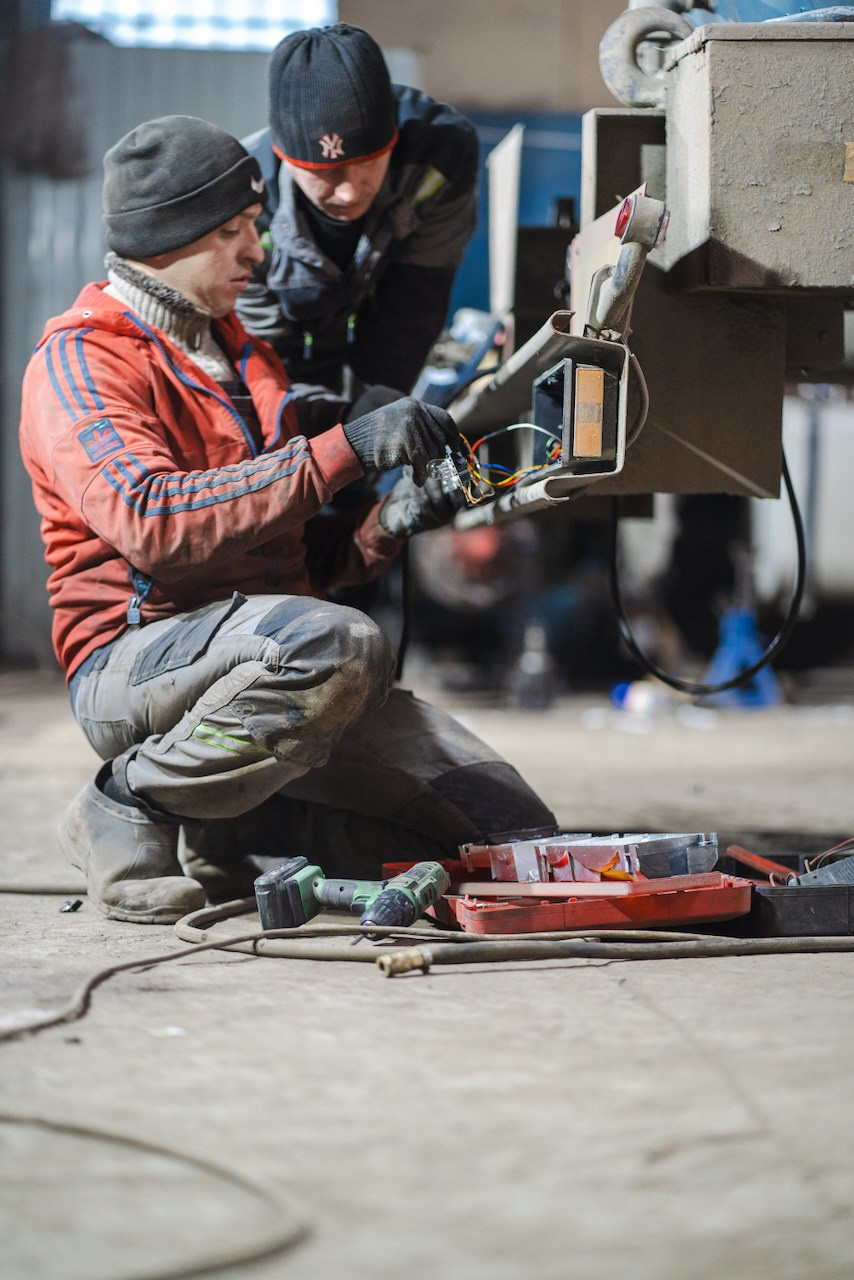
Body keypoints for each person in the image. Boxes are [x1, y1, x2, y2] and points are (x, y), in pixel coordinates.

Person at [18, 115, 556, 926]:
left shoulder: (243, 356)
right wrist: (342, 449)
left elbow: (292, 566)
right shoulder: (83, 362)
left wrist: (390, 521)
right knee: (336, 642)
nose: (256, 252)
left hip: (257, 651)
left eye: (253, 227)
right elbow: (153, 521)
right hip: (133, 661)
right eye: (232, 231)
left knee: (510, 837)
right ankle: (124, 804)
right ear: (169, 236)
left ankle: (230, 825)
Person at [237, 22, 480, 397]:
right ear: (285, 157)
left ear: (394, 138)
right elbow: (261, 346)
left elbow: (411, 313)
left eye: (369, 161)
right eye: (325, 172)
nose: (349, 193)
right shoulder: (243, 196)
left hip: (388, 314)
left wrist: (369, 423)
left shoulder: (439, 156)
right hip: (287, 341)